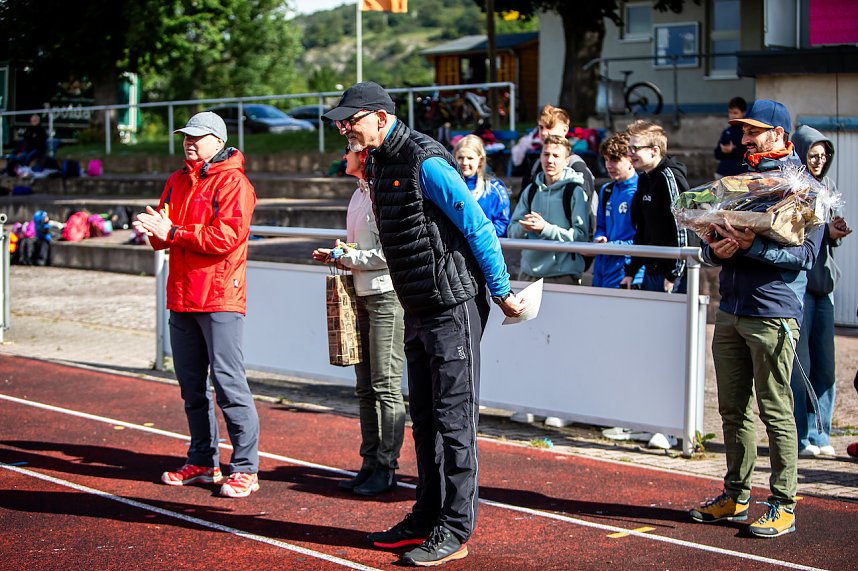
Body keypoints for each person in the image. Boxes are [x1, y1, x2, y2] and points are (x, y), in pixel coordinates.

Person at [323, 81, 525, 567]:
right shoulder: (377, 161)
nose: (343, 128)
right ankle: (424, 517)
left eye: (350, 119)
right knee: (426, 422)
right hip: (415, 306)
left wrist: (501, 291)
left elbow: (476, 223)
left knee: (455, 421)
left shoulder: (425, 159)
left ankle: (455, 529)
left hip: (453, 305)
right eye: (340, 121)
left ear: (379, 116)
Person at [689, 100, 824, 538]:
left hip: (773, 312)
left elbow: (805, 256)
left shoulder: (803, 186)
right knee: (732, 410)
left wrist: (755, 249)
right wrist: (714, 250)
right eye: (744, 131)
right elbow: (712, 241)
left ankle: (784, 503)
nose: (745, 138)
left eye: (755, 131)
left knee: (776, 411)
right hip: (730, 308)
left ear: (781, 134)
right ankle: (735, 495)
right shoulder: (742, 178)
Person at [132, 111, 261, 499]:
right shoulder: (176, 180)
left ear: (218, 142)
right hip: (183, 295)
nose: (189, 142)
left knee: (228, 383)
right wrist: (154, 232)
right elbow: (165, 236)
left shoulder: (235, 182)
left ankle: (245, 468)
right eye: (186, 136)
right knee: (191, 387)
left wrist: (170, 231)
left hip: (219, 295)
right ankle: (203, 461)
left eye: (197, 136)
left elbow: (225, 237)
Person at [312, 147, 407, 496]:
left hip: (385, 295)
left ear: (364, 159)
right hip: (361, 293)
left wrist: (347, 255)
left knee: (384, 384)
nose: (344, 154)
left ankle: (387, 465)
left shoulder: (384, 194)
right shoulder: (357, 195)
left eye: (350, 150)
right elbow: (362, 248)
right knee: (365, 387)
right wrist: (341, 253)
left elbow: (391, 252)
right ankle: (369, 462)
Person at [790, 125, 852, 458]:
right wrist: (823, 230)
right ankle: (800, 436)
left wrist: (836, 232)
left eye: (824, 155)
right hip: (800, 287)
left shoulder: (827, 186)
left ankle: (821, 432)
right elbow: (789, 233)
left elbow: (828, 234)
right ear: (799, 154)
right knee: (801, 366)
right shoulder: (791, 188)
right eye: (813, 155)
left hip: (824, 286)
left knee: (825, 367)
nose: (819, 160)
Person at [508, 134, 589, 285]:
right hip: (528, 274)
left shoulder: (575, 192)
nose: (550, 160)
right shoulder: (531, 190)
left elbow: (581, 238)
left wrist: (545, 228)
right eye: (546, 154)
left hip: (562, 276)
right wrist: (524, 227)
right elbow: (512, 231)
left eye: (556, 156)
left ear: (566, 161)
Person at [619, 120, 690, 293]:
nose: (630, 153)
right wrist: (632, 270)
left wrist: (674, 274)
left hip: (671, 273)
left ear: (654, 151)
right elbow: (641, 229)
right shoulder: (644, 179)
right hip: (651, 269)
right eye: (629, 148)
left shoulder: (669, 177)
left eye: (635, 148)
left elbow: (684, 226)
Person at [512, 104, 596, 202]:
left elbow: (585, 205)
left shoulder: (576, 165)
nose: (543, 133)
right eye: (541, 127)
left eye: (549, 127)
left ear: (565, 130)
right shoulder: (535, 166)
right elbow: (522, 202)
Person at [591, 133, 642, 289]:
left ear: (631, 161)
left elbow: (644, 238)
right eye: (606, 160)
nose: (608, 165)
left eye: (614, 160)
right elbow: (600, 227)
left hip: (627, 271)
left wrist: (612, 246)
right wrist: (600, 238)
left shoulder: (640, 191)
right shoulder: (606, 190)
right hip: (602, 268)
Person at [453, 134, 511, 236]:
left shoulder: (494, 189)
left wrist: (474, 235)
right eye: (460, 157)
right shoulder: (449, 188)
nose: (465, 162)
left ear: (480, 159)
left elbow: (503, 225)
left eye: (470, 158)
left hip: (484, 248)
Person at [714, 97, 748, 178]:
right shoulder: (727, 131)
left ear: (743, 113)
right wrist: (723, 150)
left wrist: (733, 150)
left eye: (735, 113)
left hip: (740, 173)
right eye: (730, 112)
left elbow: (747, 153)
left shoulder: (747, 131)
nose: (732, 116)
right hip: (723, 172)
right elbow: (717, 154)